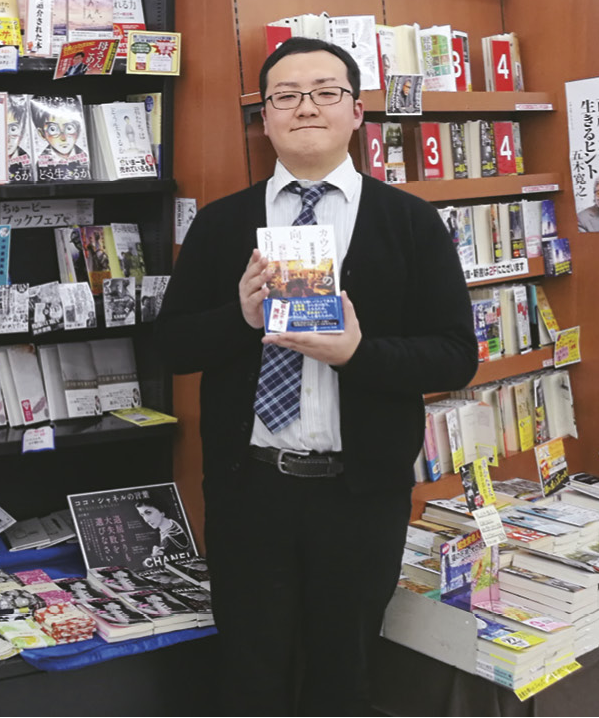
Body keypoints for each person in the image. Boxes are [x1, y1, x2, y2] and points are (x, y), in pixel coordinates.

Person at [165, 37, 477, 715]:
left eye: (324, 91)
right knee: (249, 674)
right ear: (265, 117)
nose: (305, 107)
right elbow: (169, 344)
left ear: (356, 110)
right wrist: (238, 316)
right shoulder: (221, 225)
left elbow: (455, 355)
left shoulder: (411, 223)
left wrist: (358, 353)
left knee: (345, 675)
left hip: (359, 496)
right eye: (285, 95)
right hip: (250, 490)